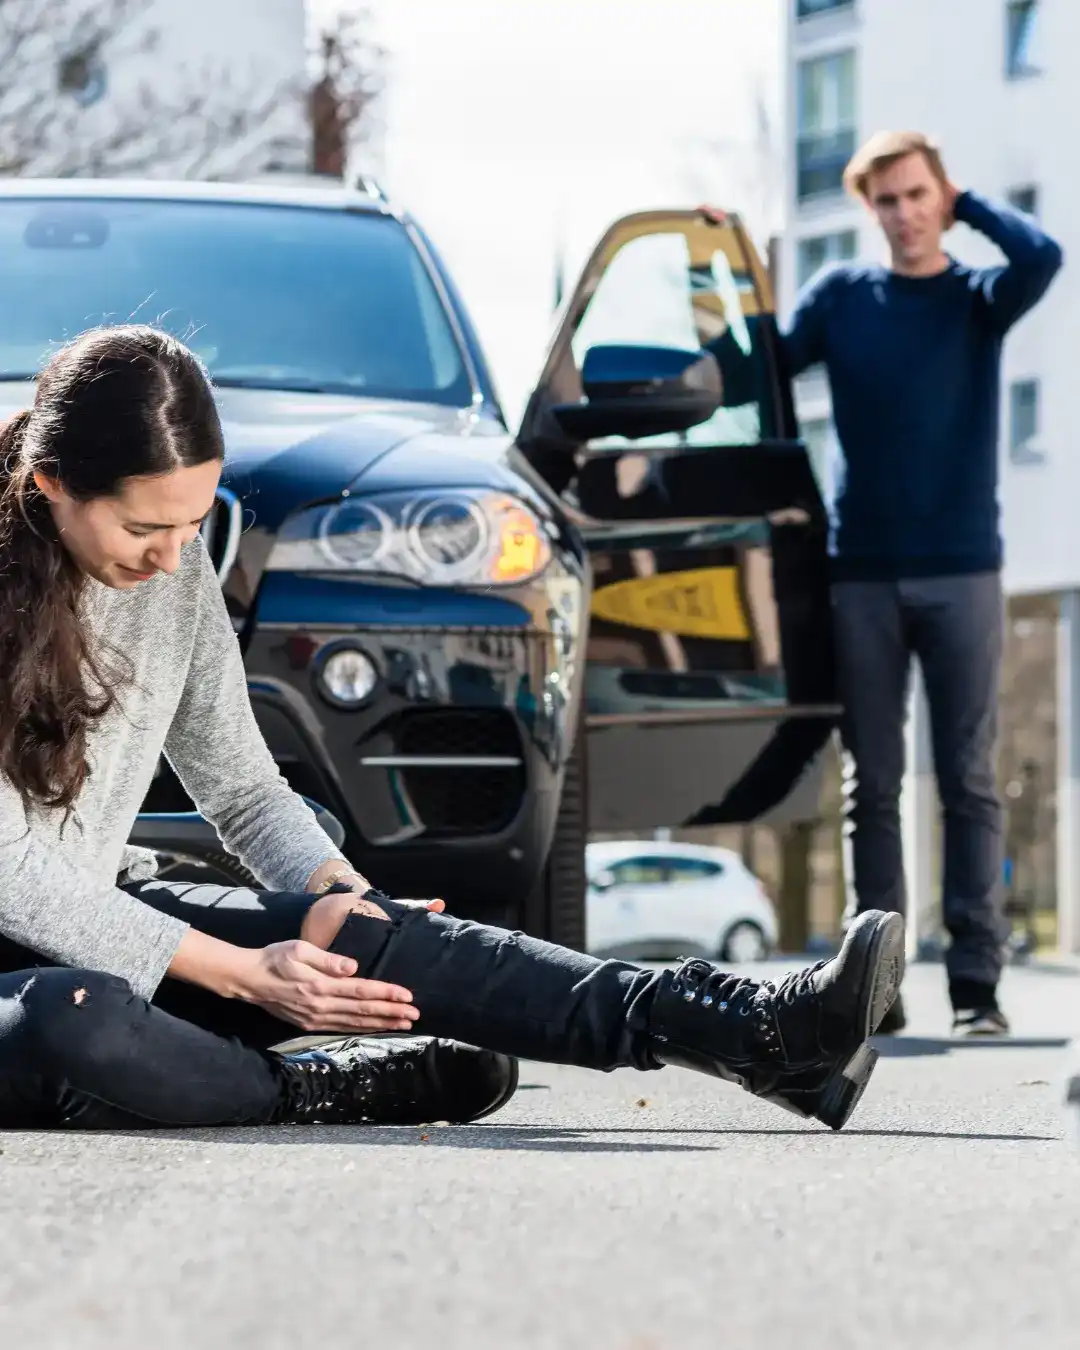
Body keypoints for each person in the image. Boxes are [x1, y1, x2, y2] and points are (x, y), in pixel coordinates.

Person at [0, 325, 904, 1132]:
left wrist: (352, 901)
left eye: (194, 523)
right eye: (144, 528)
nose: (171, 556)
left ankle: (749, 1031)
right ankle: (331, 1090)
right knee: (71, 1016)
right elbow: (11, 874)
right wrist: (241, 973)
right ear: (51, 483)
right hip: (31, 970)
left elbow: (241, 787)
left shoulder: (175, 565)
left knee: (344, 931)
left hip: (100, 914)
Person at [777, 131, 1061, 1036]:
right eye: (888, 201)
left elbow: (1043, 254)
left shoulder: (980, 299)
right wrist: (724, 259)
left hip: (964, 570)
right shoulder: (842, 299)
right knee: (874, 785)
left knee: (970, 780)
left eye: (916, 195)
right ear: (871, 212)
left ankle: (977, 986)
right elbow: (765, 365)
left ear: (940, 195)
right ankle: (878, 985)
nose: (903, 214)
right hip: (860, 571)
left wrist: (968, 199)